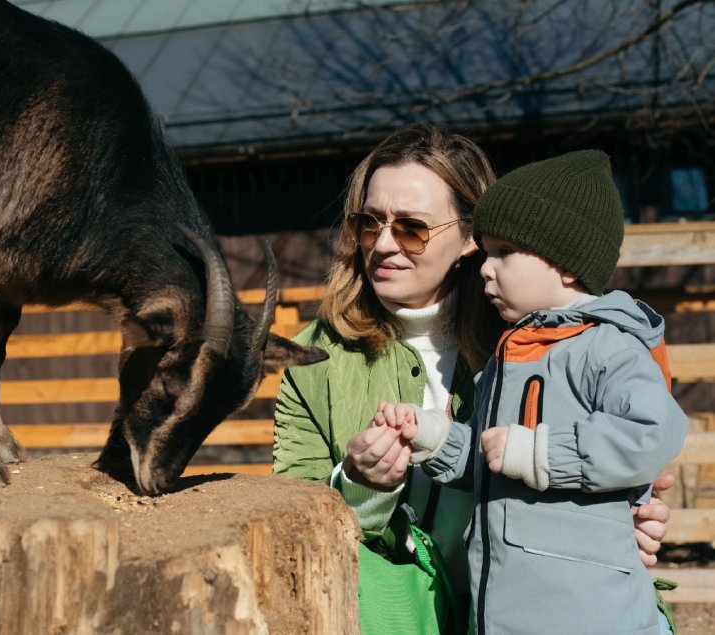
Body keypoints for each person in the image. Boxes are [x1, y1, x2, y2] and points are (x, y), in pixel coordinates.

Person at [271, 124, 675, 631]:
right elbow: (290, 525)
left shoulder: (533, 337)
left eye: (411, 227)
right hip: (390, 610)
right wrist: (361, 487)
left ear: (469, 238)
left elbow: (628, 445)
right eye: (368, 223)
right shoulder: (314, 358)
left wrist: (626, 514)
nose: (383, 244)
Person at [377, 149, 688, 634]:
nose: (486, 268)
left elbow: (651, 431)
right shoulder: (509, 357)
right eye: (486, 252)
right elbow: (490, 456)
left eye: (505, 251)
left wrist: (542, 453)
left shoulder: (606, 347)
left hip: (591, 612)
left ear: (565, 264)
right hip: (509, 612)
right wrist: (433, 437)